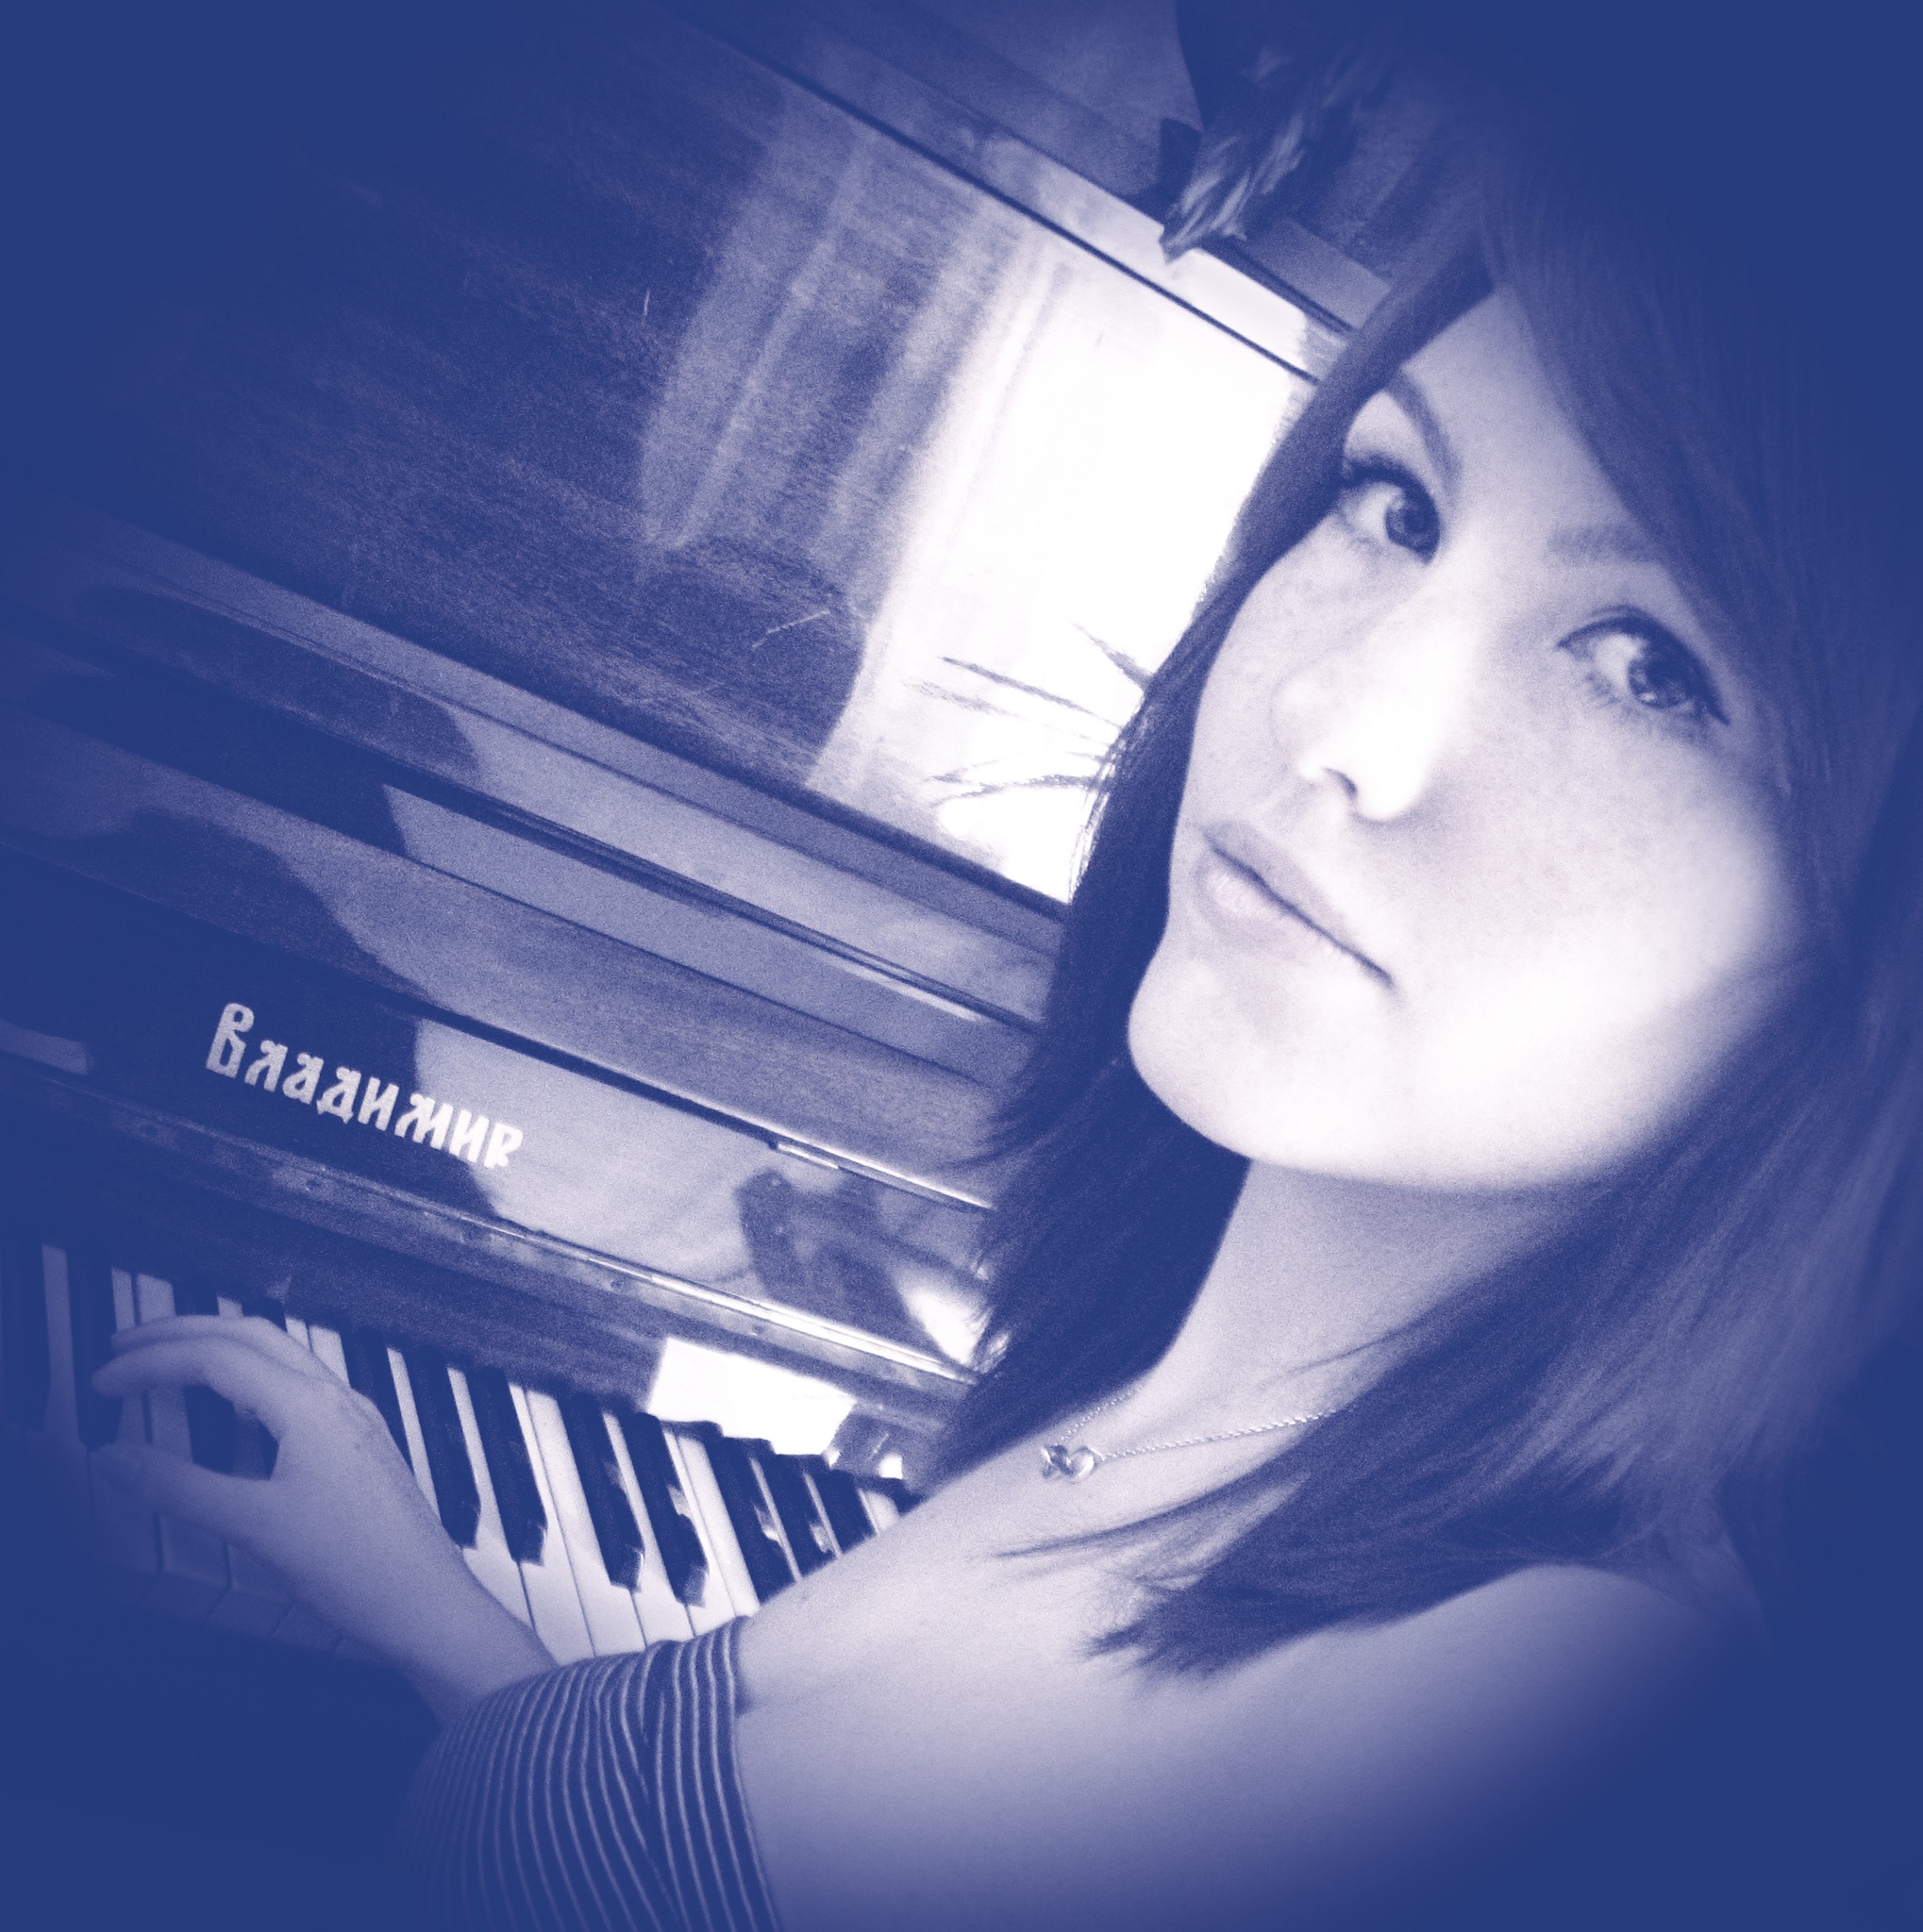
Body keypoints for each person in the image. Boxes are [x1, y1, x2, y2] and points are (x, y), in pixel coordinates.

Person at [86, 30, 1923, 1932]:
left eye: (1647, 667)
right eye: (1396, 504)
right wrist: (439, 1617)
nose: (1332, 717)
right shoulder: (1184, 1378)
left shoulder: (1552, 1702)